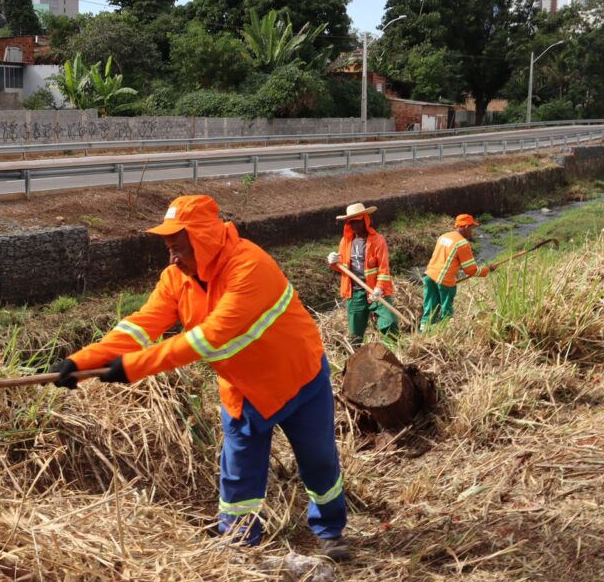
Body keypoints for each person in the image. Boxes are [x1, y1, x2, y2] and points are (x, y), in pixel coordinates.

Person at [52, 195, 349, 561]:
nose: (173, 258)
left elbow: (209, 338)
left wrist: (132, 368)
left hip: (299, 379)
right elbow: (141, 325)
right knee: (239, 474)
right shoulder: (177, 278)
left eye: (179, 247)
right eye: (168, 248)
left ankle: (330, 532)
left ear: (204, 240)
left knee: (319, 460)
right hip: (245, 391)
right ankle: (239, 547)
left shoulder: (249, 267)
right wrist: (82, 363)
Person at [326, 203, 398, 346]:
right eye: (351, 222)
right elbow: (342, 267)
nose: (354, 225)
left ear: (365, 220)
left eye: (357, 221)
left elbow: (384, 269)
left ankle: (393, 353)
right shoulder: (345, 242)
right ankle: (357, 358)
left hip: (376, 291)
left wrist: (379, 288)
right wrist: (333, 262)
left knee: (390, 323)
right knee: (355, 334)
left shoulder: (378, 241)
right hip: (355, 293)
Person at [420, 214, 492, 330]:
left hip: (429, 276)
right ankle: (445, 334)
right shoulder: (462, 244)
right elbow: (470, 270)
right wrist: (487, 270)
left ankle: (424, 332)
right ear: (466, 226)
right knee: (446, 311)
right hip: (444, 280)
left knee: (430, 307)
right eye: (471, 229)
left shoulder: (444, 237)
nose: (471, 232)